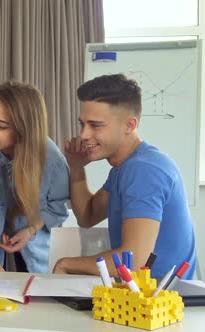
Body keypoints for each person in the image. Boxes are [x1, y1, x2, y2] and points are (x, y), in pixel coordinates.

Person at [53, 74, 196, 279]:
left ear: (129, 125)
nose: (84, 135)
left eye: (95, 125)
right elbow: (87, 216)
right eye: (82, 124)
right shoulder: (125, 168)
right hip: (140, 299)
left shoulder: (144, 170)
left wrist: (66, 264)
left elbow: (134, 261)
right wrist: (76, 168)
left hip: (163, 304)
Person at [0, 81, 70, 273]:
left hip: (34, 244)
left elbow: (57, 205)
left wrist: (30, 231)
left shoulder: (51, 157)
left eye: (1, 126)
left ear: (24, 129)